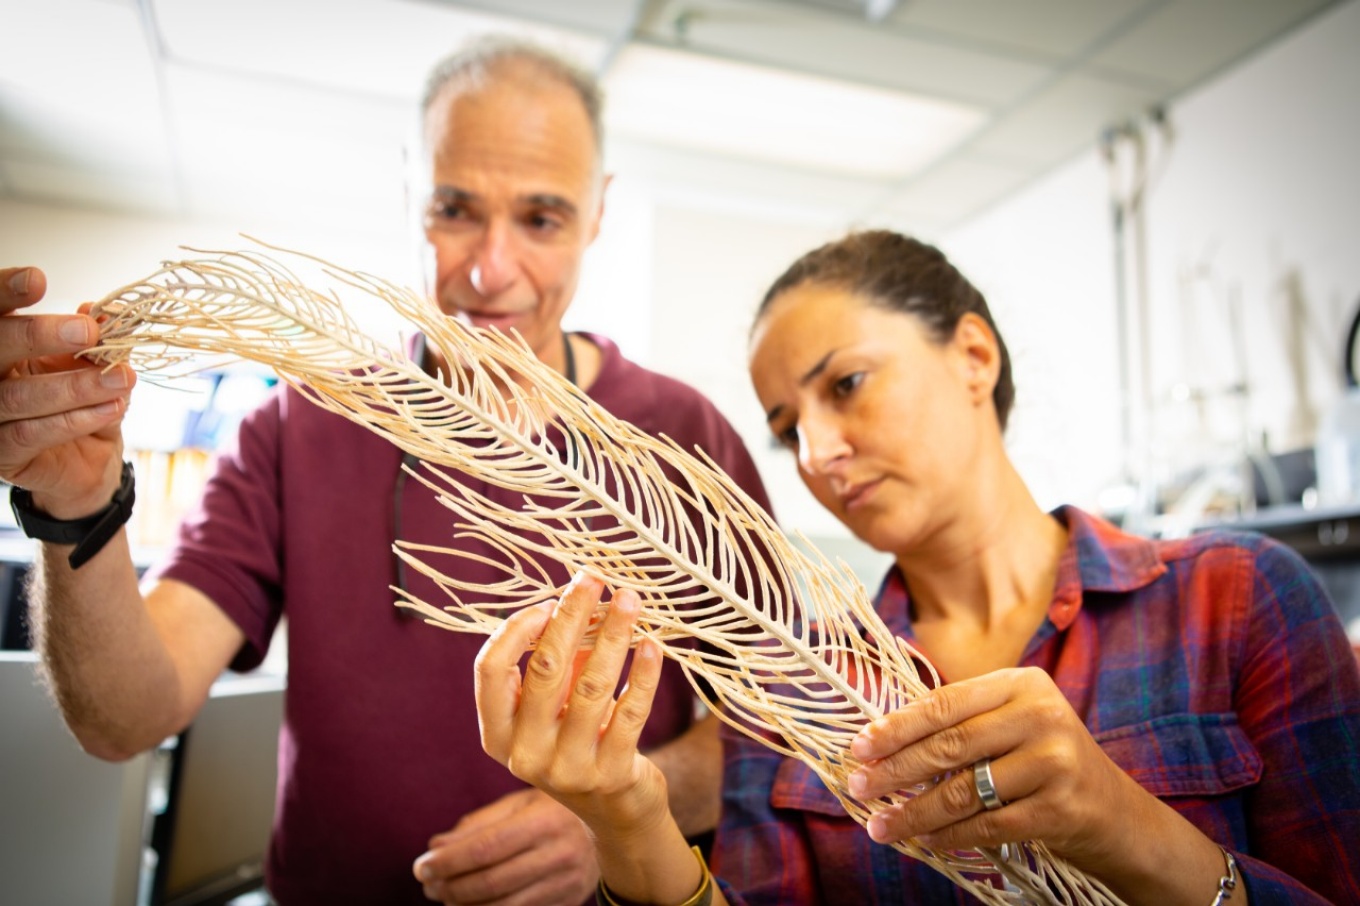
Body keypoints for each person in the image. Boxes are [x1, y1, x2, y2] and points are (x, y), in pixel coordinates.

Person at [0, 38, 771, 906]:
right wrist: (74, 503)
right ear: (413, 192)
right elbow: (125, 717)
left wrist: (623, 818)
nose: (490, 267)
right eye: (454, 209)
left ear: (598, 212)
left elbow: (779, 729)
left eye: (542, 219)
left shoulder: (683, 437)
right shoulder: (301, 422)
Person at [473, 230, 1360, 905]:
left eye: (846, 385)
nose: (818, 450)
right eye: (787, 431)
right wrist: (629, 818)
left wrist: (1121, 825)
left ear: (974, 356)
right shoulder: (793, 692)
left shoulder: (1237, 598)